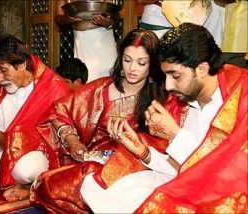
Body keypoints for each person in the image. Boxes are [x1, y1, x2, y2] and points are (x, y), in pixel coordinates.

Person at [79, 23, 247, 213]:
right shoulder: (190, 100)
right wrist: (143, 152)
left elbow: (220, 174)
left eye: (175, 75)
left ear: (201, 69)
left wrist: (175, 135)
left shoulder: (240, 99)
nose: (167, 86)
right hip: (186, 183)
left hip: (221, 198)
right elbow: (183, 168)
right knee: (95, 187)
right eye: (166, 75)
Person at [32, 28, 184, 213]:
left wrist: (130, 144)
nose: (132, 68)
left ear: (152, 65)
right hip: (89, 159)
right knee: (50, 186)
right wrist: (72, 141)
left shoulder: (163, 99)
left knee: (90, 184)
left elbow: (167, 146)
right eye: (127, 60)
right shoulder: (101, 88)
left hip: (133, 166)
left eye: (141, 63)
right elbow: (59, 111)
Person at [0, 35, 70, 202]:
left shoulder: (55, 88)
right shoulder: (1, 85)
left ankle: (28, 184)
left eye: (3, 70)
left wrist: (2, 139)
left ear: (22, 64)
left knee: (25, 170)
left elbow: (58, 144)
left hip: (37, 158)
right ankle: (4, 179)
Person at [55, 0, 119, 82]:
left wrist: (109, 23)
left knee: (108, 86)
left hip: (105, 48)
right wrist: (67, 19)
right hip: (81, 47)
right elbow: (58, 18)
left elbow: (116, 15)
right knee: (83, 87)